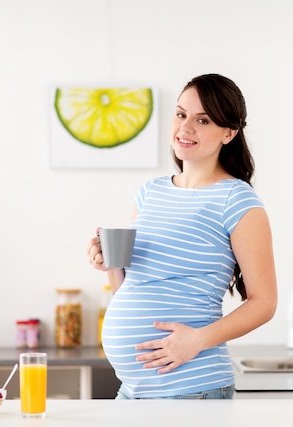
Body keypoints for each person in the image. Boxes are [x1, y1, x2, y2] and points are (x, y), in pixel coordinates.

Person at [85, 73, 278, 399]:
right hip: (133, 391)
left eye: (202, 120)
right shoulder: (150, 193)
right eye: (180, 114)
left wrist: (197, 340)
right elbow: (132, 288)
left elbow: (264, 303)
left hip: (191, 389)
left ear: (228, 133)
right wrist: (111, 266)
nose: (185, 128)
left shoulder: (237, 200)